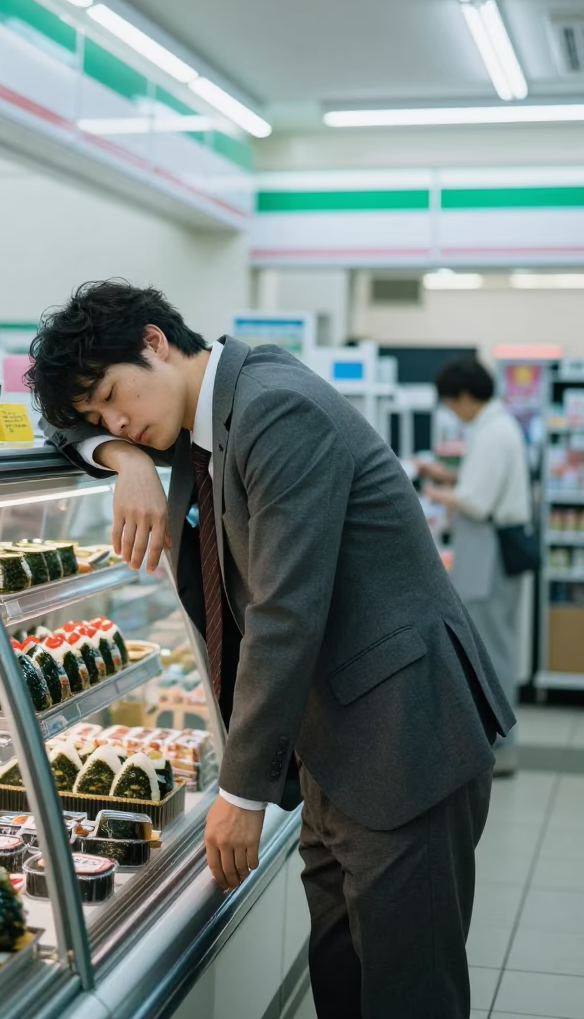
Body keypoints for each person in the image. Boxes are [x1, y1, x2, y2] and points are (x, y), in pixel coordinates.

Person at [27, 281, 514, 1019]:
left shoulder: (274, 408)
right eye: (101, 417)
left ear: (155, 342)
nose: (116, 419)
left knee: (410, 996)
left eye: (113, 397)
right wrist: (122, 457)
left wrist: (240, 791)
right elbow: (56, 430)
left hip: (407, 742)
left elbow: (287, 613)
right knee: (344, 983)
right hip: (337, 749)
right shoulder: (204, 419)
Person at [420, 357, 531, 778]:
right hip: (490, 550)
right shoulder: (497, 428)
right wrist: (451, 479)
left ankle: (502, 747)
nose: (452, 412)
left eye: (452, 403)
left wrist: (436, 491)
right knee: (492, 643)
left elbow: (479, 502)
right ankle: (498, 742)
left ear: (466, 398)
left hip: (488, 553)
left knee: (492, 648)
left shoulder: (492, 433)